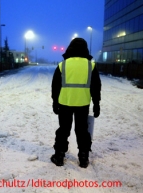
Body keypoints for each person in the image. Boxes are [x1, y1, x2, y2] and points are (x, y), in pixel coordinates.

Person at [51, 37, 101, 168]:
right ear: (85, 49)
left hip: (65, 103)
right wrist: (96, 104)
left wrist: (55, 102)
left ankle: (59, 156)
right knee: (82, 131)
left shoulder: (63, 64)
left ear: (70, 48)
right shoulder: (91, 65)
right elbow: (96, 87)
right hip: (82, 104)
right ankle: (83, 158)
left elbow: (55, 86)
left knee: (63, 129)